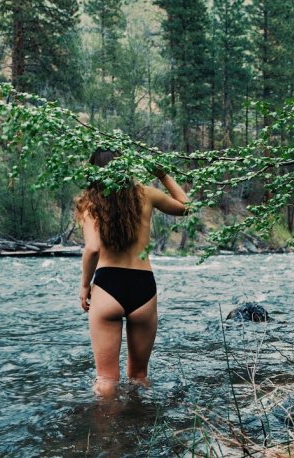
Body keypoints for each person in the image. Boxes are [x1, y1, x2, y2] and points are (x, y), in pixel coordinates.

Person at [74, 148, 189, 398]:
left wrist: (85, 285)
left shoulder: (89, 202)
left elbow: (93, 248)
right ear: (125, 168)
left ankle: (108, 435)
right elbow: (185, 206)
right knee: (139, 377)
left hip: (108, 286)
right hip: (143, 287)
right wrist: (162, 174)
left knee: (106, 379)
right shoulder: (146, 194)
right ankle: (140, 428)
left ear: (94, 171)